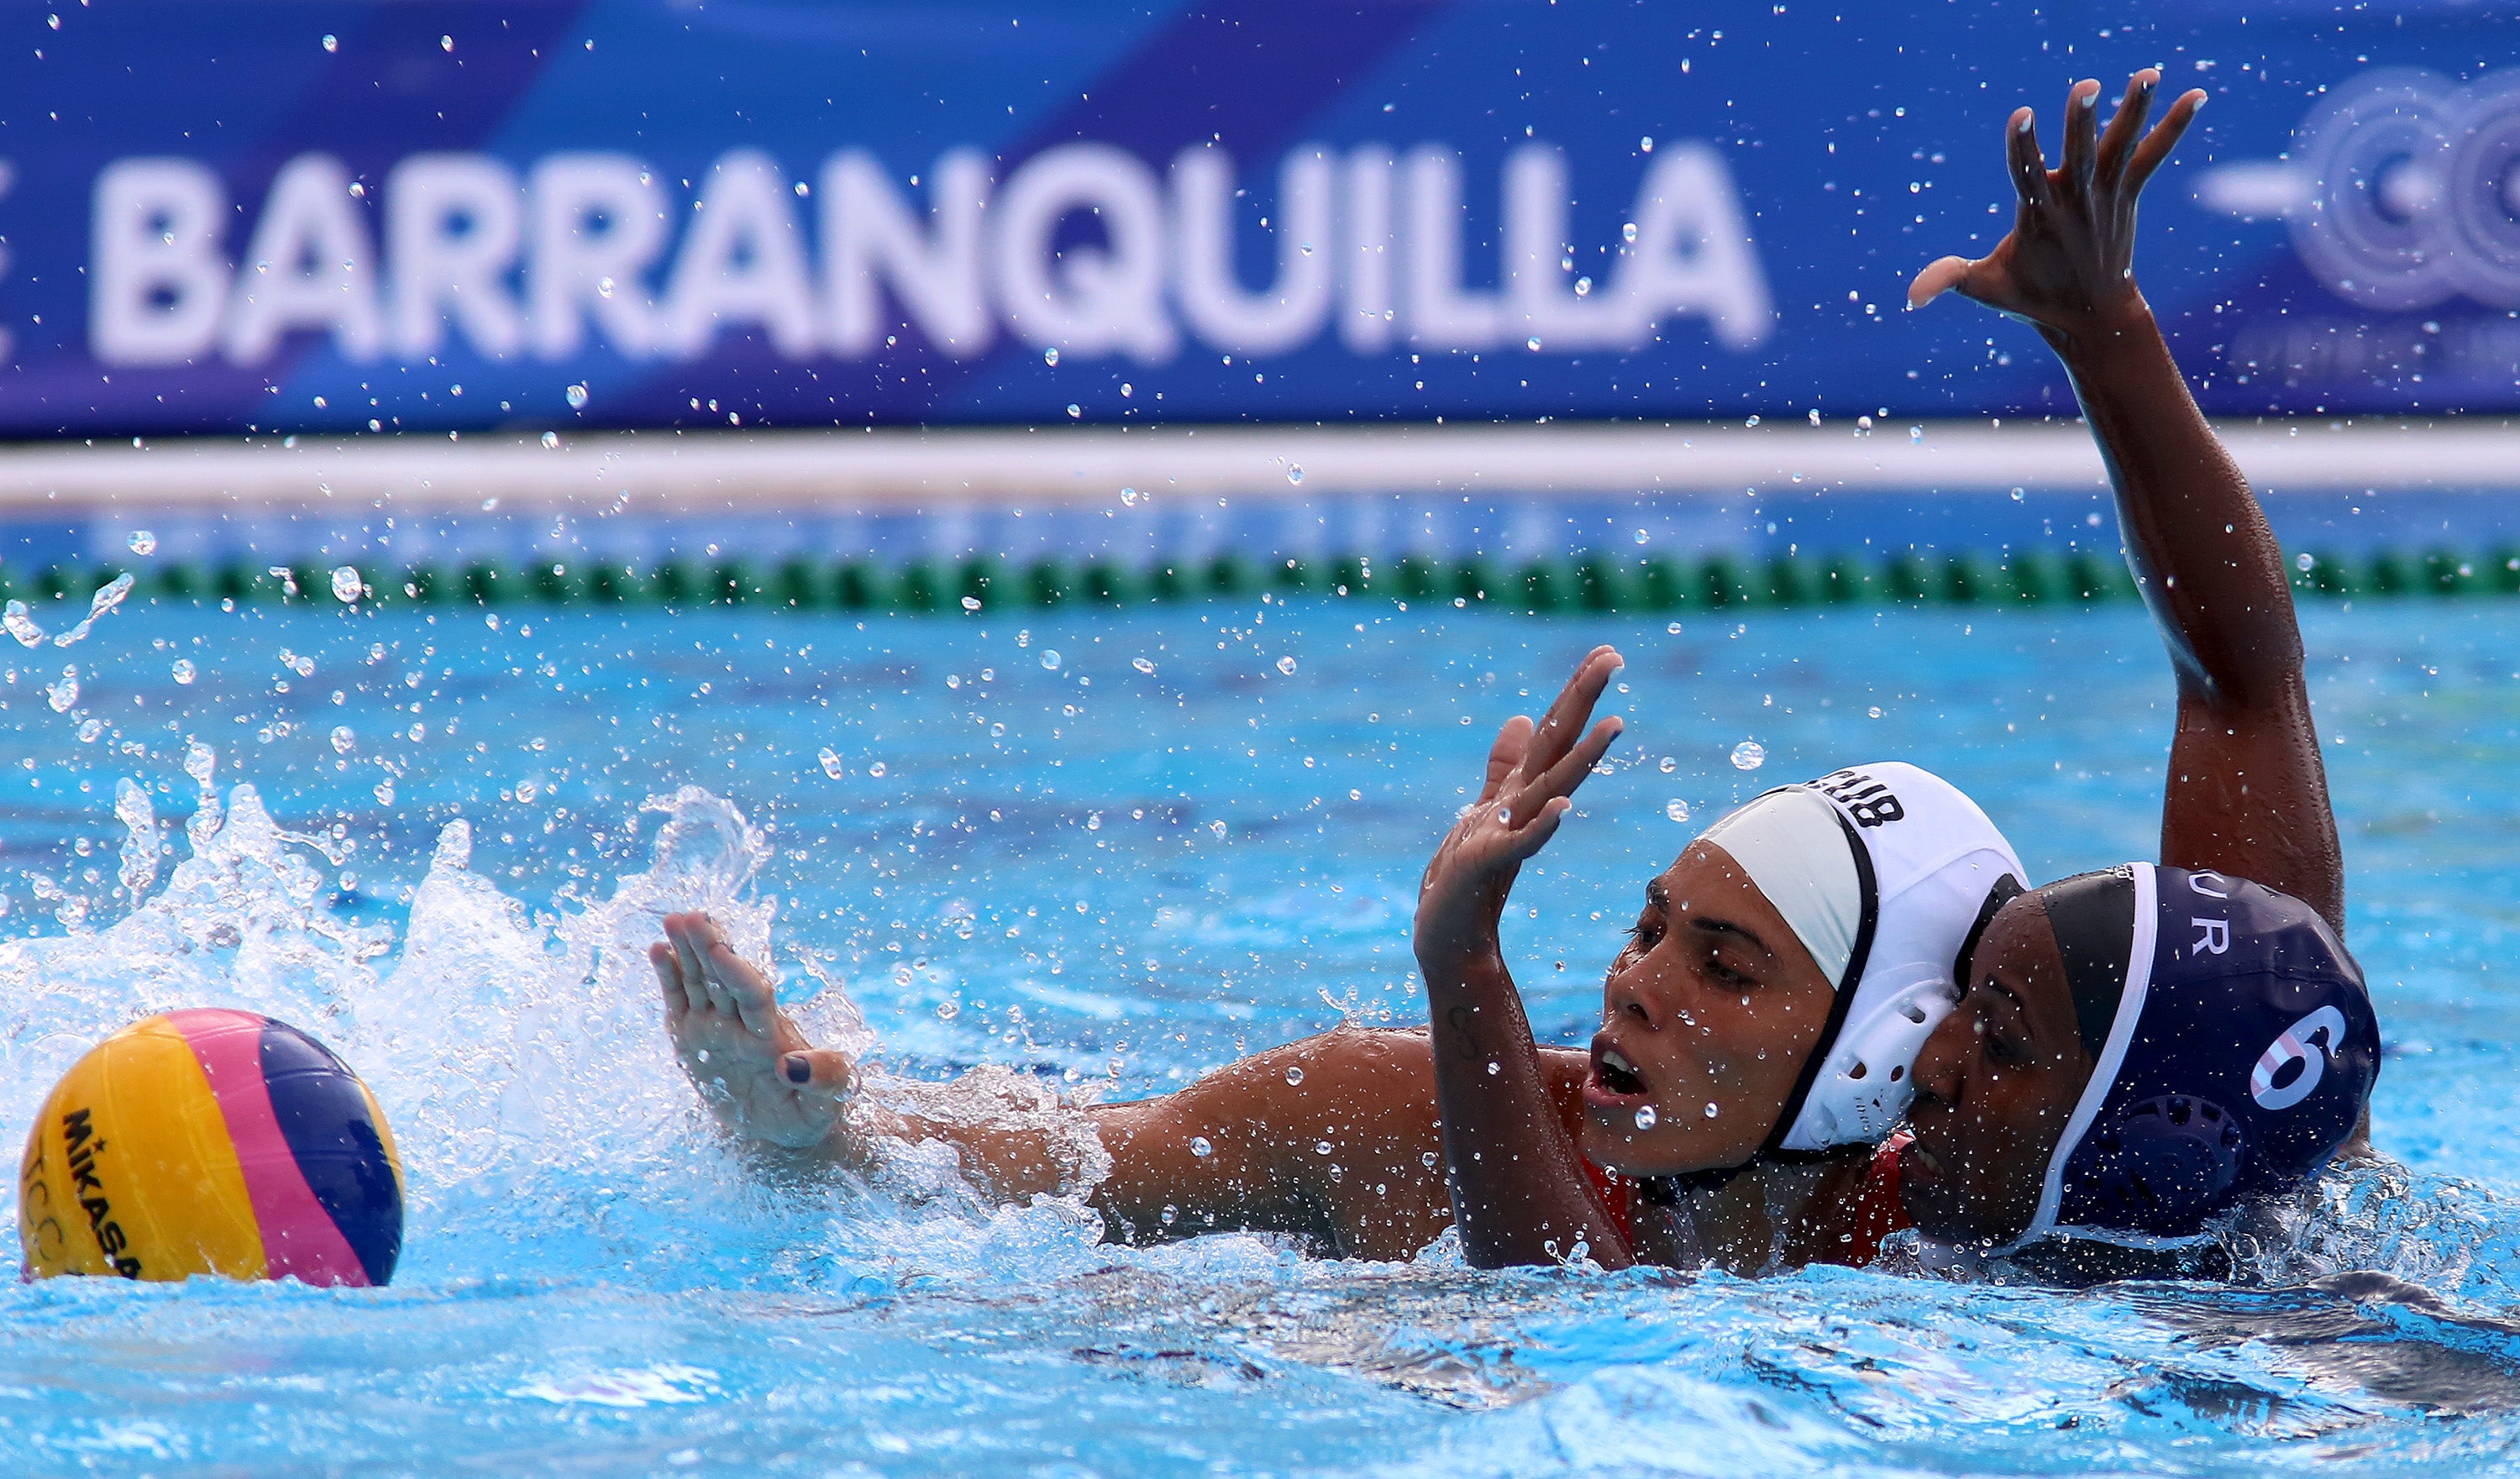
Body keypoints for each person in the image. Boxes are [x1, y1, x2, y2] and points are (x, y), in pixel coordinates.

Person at [1420, 68, 2379, 1273]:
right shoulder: (1934, 1224)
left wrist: (1464, 978)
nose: (1928, 1057)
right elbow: (2239, 682)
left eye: (2004, 1037)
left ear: (2143, 1133)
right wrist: (2106, 330)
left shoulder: (2294, 1275)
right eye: (1967, 1007)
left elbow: (1551, 1325)